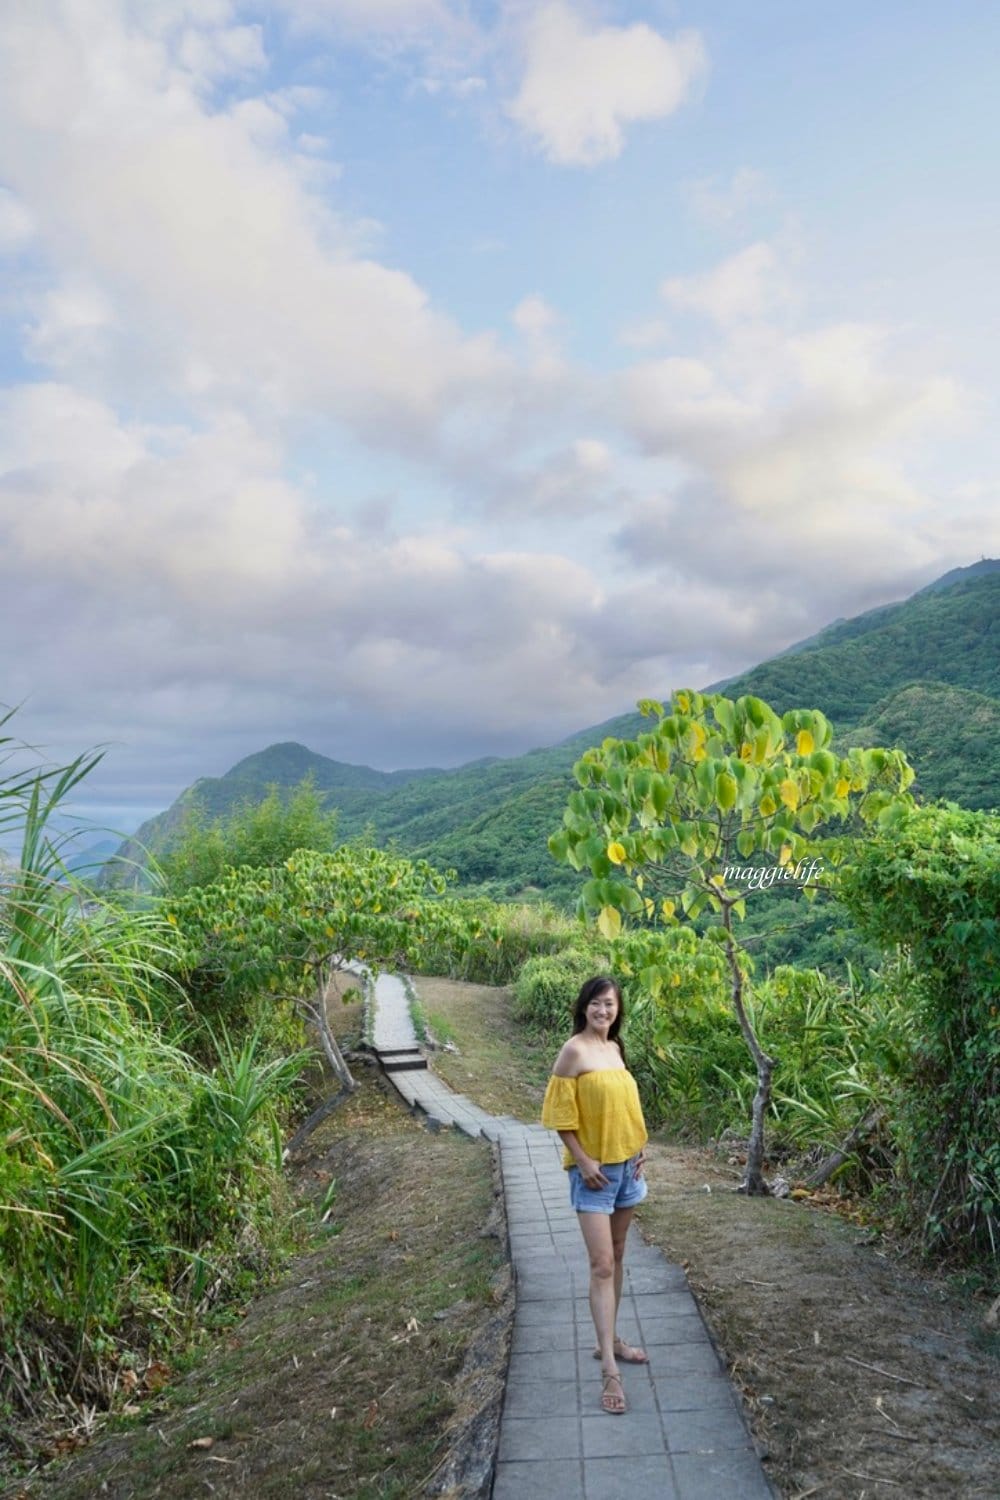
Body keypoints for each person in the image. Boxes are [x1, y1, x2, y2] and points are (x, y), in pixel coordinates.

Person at [540, 975, 649, 1415]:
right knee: (602, 1264)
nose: (603, 1011)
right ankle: (609, 1368)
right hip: (594, 1175)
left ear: (618, 1010)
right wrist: (583, 1161)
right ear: (584, 1007)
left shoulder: (615, 1050)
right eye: (596, 1004)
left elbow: (625, 1108)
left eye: (611, 1005)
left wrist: (641, 1149)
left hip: (627, 1168)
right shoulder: (575, 1050)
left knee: (619, 1255)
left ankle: (613, 1339)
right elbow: (559, 1113)